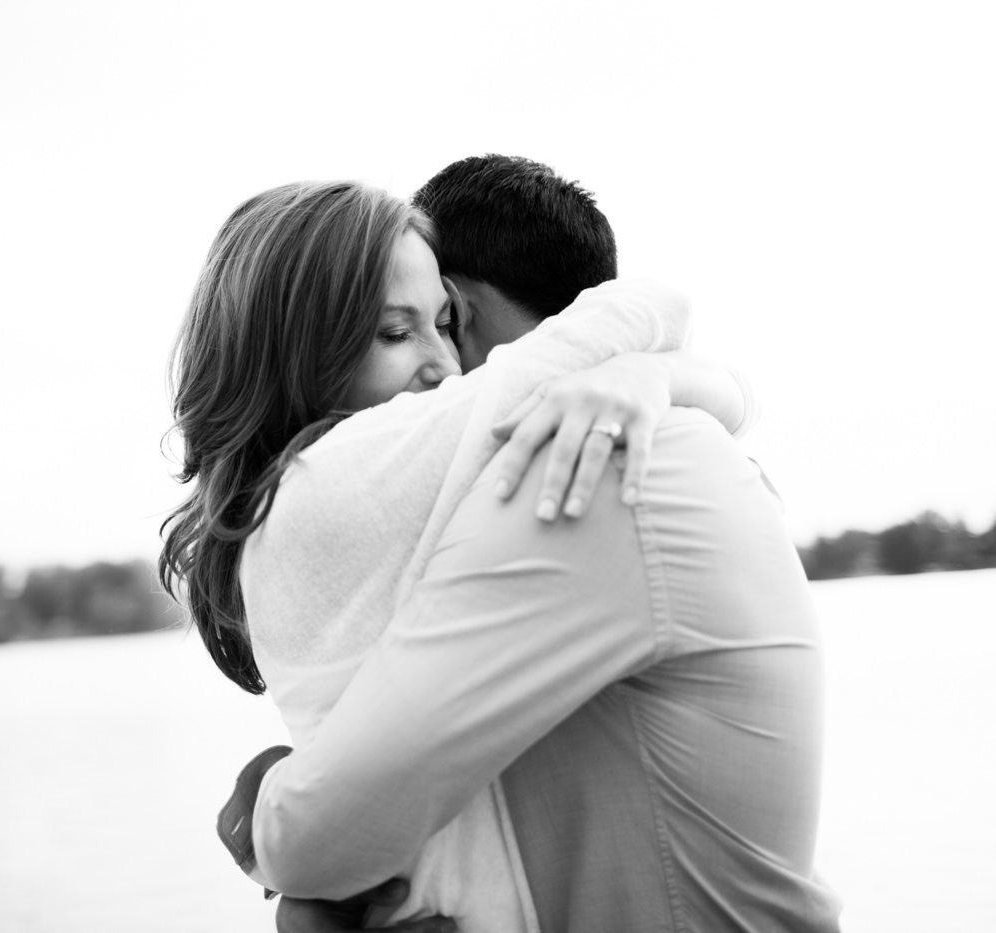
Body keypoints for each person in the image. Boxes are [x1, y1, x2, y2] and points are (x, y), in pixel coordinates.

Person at [166, 159, 836, 930]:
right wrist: (658, 373)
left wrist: (264, 808)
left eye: (445, 323)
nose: (444, 366)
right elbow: (653, 310)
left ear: (468, 305)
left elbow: (313, 844)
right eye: (397, 331)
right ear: (293, 355)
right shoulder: (335, 478)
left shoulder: (596, 463)